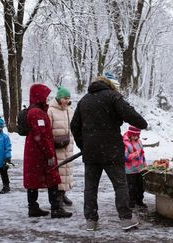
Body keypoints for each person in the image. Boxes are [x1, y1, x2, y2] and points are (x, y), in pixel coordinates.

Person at [71, 75, 148, 231]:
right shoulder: (113, 97)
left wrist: (84, 145)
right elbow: (137, 120)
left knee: (90, 187)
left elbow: (74, 126)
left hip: (91, 152)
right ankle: (126, 219)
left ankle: (91, 220)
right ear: (110, 85)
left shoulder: (84, 100)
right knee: (120, 185)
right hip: (111, 150)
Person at [23, 83, 72, 218]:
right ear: (39, 96)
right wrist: (50, 154)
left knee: (33, 180)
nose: (47, 98)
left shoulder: (35, 111)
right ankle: (56, 208)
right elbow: (42, 136)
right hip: (41, 154)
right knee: (53, 178)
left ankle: (33, 207)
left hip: (34, 152)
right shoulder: (37, 113)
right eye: (45, 95)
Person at [48, 86, 75, 207]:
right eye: (65, 98)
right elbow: (48, 129)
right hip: (56, 145)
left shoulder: (70, 110)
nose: (67, 100)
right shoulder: (51, 110)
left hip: (68, 145)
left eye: (68, 98)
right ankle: (57, 196)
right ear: (59, 98)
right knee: (59, 172)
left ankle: (63, 194)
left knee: (67, 171)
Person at [123, 125, 147, 209]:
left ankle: (139, 201)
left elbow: (142, 153)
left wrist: (144, 163)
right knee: (131, 188)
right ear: (130, 134)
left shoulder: (139, 141)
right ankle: (131, 203)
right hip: (130, 170)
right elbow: (125, 158)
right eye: (134, 135)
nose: (135, 137)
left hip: (139, 169)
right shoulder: (126, 143)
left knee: (140, 186)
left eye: (137, 135)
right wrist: (134, 154)